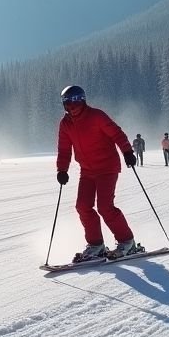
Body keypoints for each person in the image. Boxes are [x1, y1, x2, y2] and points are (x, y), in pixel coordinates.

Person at [56, 84, 143, 263]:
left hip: (107, 167)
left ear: (83, 100)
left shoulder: (96, 116)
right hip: (87, 171)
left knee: (105, 207)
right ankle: (96, 245)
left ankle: (127, 242)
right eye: (68, 102)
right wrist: (62, 170)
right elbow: (64, 149)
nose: (73, 106)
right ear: (64, 104)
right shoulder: (65, 124)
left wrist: (127, 151)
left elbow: (116, 134)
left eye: (76, 101)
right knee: (82, 206)